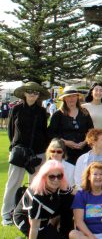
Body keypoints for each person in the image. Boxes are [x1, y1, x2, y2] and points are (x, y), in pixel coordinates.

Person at [2, 82, 50, 226]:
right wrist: (15, 147)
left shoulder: (41, 112)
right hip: (19, 151)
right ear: (24, 93)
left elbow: (44, 131)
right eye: (29, 91)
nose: (32, 94)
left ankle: (32, 211)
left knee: (36, 184)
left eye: (35, 92)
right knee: (13, 183)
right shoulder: (16, 109)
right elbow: (11, 130)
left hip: (38, 152)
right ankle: (7, 213)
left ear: (38, 95)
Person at [12, 160, 73, 239]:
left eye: (59, 176)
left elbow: (77, 193)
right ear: (44, 177)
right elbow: (34, 227)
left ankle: (64, 231)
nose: (56, 180)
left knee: (70, 199)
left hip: (44, 217)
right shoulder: (37, 196)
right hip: (26, 219)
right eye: (51, 177)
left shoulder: (61, 186)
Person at [48, 86, 94, 164]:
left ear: (77, 97)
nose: (71, 98)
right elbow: (51, 133)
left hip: (83, 151)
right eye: (69, 96)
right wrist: (66, 142)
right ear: (64, 99)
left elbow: (91, 131)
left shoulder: (84, 112)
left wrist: (85, 142)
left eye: (74, 96)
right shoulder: (58, 114)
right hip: (64, 152)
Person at [46, 139, 76, 237]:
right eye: (52, 151)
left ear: (63, 153)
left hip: (65, 197)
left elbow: (71, 188)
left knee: (68, 201)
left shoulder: (71, 168)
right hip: (48, 198)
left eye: (58, 151)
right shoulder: (44, 167)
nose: (55, 154)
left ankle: (65, 232)